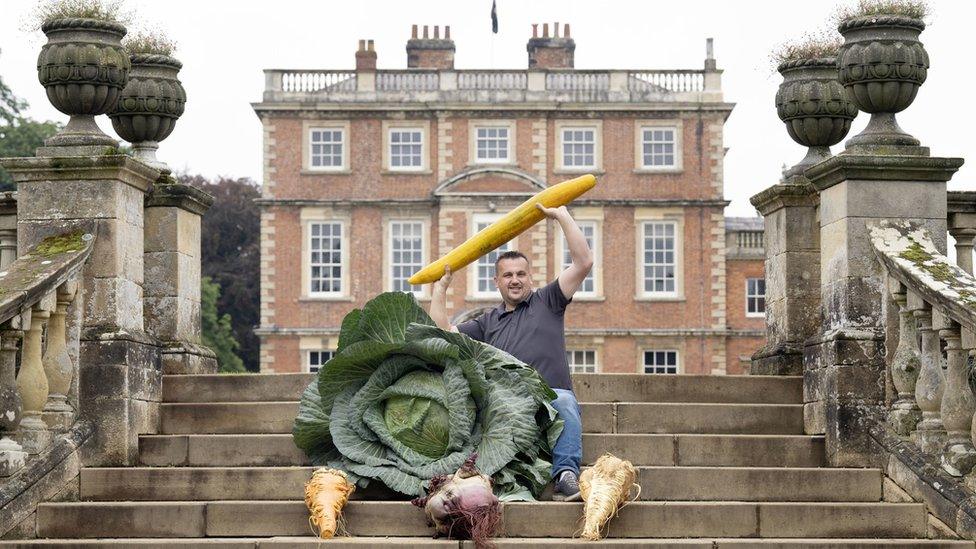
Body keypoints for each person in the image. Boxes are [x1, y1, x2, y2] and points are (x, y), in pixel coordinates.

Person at [428, 203, 594, 502]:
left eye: (520, 274)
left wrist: (561, 215)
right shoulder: (487, 322)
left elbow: (583, 262)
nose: (515, 280)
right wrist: (440, 289)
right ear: (497, 281)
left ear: (530, 278)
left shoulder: (549, 301)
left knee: (567, 400)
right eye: (507, 275)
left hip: (551, 397)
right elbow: (445, 331)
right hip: (508, 403)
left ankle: (566, 476)